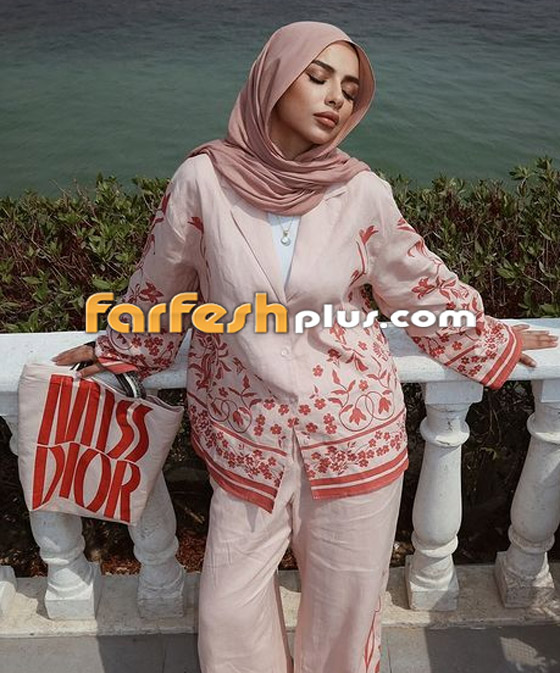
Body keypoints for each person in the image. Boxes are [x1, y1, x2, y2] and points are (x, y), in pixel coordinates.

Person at [52, 21, 558, 673]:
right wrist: (121, 346)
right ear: (271, 80)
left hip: (354, 433)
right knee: (228, 615)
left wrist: (490, 337)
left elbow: (414, 283)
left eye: (349, 88)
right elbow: (163, 279)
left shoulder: (360, 191)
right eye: (317, 77)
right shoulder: (202, 181)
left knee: (346, 621)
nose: (335, 98)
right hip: (248, 434)